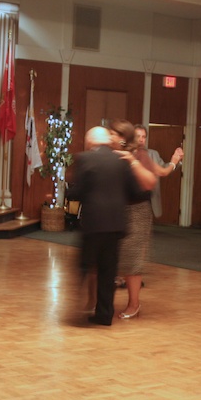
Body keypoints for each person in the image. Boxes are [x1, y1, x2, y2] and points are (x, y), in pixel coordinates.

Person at [66, 126, 154, 326]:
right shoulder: (122, 161)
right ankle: (104, 315)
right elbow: (135, 190)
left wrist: (75, 194)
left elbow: (77, 191)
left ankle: (81, 306)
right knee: (108, 271)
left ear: (90, 143)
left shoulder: (84, 158)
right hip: (116, 223)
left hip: (94, 223)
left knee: (85, 265)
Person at [114, 121, 161, 318]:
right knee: (118, 256)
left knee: (132, 258)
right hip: (118, 209)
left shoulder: (140, 155)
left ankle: (134, 304)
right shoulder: (112, 154)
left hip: (137, 211)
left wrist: (131, 161)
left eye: (116, 135)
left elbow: (151, 181)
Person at [137, 125, 184, 219]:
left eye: (143, 137)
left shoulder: (153, 154)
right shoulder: (127, 155)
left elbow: (164, 169)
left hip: (149, 199)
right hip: (131, 201)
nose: (141, 139)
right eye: (137, 136)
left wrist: (176, 161)